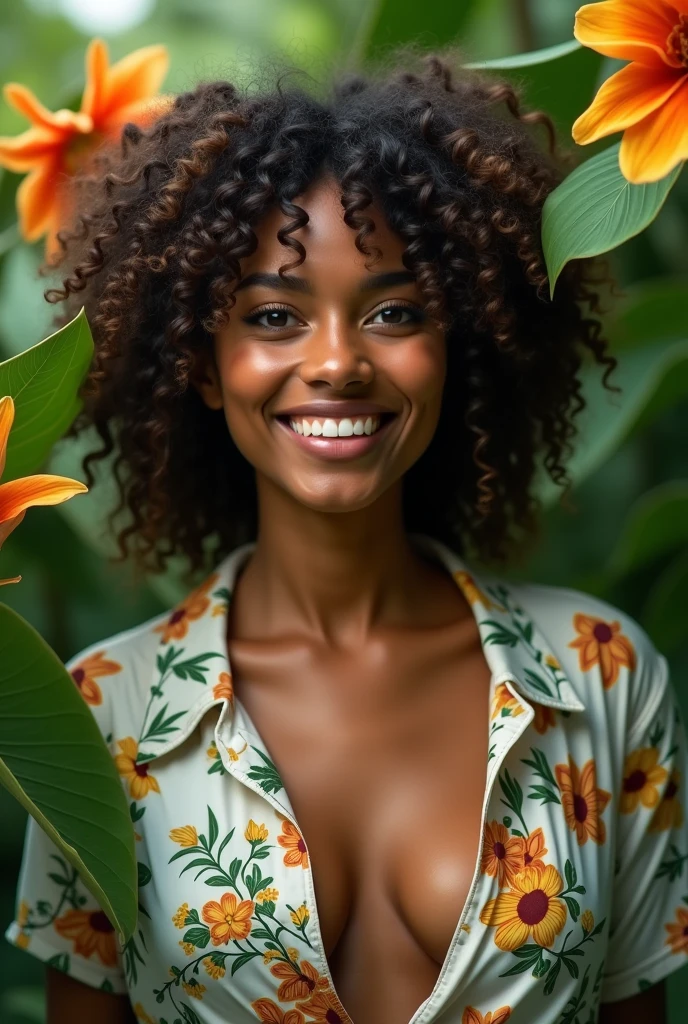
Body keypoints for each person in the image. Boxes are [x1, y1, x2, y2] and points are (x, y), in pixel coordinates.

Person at [5, 48, 687, 1024]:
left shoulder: (600, 681)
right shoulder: (104, 720)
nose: (335, 362)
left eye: (395, 312)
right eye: (276, 315)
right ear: (203, 363)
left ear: (464, 347)